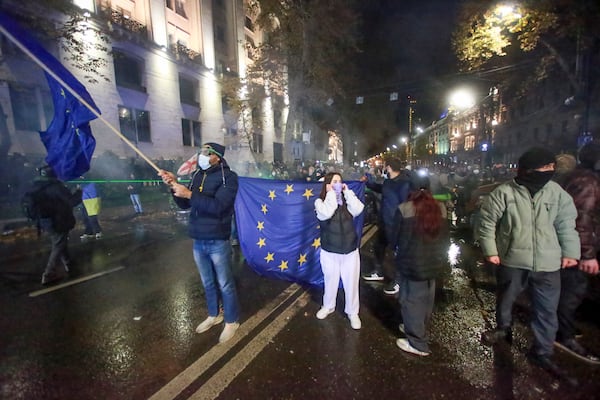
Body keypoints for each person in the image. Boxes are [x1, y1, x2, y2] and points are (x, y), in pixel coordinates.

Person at [478, 147, 580, 382]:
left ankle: (542, 351)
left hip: (548, 263)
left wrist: (571, 252)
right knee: (506, 298)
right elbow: (487, 223)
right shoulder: (504, 192)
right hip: (513, 259)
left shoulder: (557, 193)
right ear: (528, 169)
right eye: (544, 168)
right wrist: (491, 251)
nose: (549, 171)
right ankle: (503, 328)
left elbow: (566, 225)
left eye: (551, 168)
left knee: (546, 309)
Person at [158, 142, 240, 343]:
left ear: (217, 157)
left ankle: (232, 320)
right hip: (198, 239)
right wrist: (174, 186)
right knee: (207, 282)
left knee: (225, 283)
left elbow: (219, 206)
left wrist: (190, 194)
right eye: (201, 151)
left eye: (206, 152)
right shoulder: (197, 175)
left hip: (217, 240)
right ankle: (214, 314)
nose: (201, 156)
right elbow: (185, 204)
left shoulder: (228, 178)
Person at [554, 143, 600, 364]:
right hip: (575, 247)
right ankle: (564, 335)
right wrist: (587, 254)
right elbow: (581, 217)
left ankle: (563, 326)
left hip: (570, 245)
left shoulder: (578, 178)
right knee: (572, 291)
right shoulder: (587, 182)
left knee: (569, 289)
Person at [391, 186, 448, 356]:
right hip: (434, 261)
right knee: (427, 299)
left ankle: (417, 343)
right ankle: (416, 326)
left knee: (411, 301)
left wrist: (396, 252)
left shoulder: (405, 209)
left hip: (412, 263)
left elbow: (396, 237)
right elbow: (446, 237)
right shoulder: (441, 207)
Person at [314, 172, 365, 329]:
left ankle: (352, 312)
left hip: (350, 251)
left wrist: (347, 192)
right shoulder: (319, 202)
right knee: (331, 281)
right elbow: (326, 213)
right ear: (327, 184)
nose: (338, 184)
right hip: (330, 251)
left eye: (340, 181)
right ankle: (328, 306)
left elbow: (358, 209)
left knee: (351, 283)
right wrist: (331, 194)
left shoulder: (346, 201)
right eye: (334, 181)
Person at [360, 158, 412, 296]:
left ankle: (399, 281)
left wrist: (403, 224)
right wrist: (367, 182)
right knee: (379, 247)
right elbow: (381, 189)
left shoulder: (404, 184)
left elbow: (406, 206)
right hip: (384, 222)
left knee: (397, 253)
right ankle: (378, 272)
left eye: (385, 167)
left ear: (388, 168)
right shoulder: (389, 182)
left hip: (395, 224)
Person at [28, 165, 82, 285]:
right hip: (58, 220)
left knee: (60, 242)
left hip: (45, 221)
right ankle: (48, 274)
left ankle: (70, 265)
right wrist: (79, 192)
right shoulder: (56, 187)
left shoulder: (37, 186)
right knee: (58, 245)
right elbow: (72, 202)